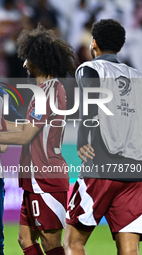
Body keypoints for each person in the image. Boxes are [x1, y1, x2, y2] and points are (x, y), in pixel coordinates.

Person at [0, 25, 76, 255]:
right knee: (25, 239)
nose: (24, 64)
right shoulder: (48, 90)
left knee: (50, 242)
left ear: (37, 59)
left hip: (45, 175)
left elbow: (26, 135)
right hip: (34, 176)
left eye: (26, 58)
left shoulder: (48, 92)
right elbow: (26, 128)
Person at [64, 19, 142, 255]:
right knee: (129, 249)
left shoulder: (89, 69)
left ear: (93, 43)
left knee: (73, 243)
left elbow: (88, 105)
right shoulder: (137, 76)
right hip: (135, 170)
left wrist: (81, 141)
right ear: (120, 46)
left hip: (101, 165)